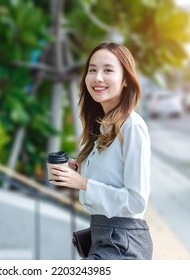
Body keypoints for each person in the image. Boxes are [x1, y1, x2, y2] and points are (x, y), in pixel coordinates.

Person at [50, 42, 153, 260]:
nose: (97, 77)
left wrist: (83, 183)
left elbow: (137, 200)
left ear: (125, 79)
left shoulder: (132, 126)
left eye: (108, 70)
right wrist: (79, 171)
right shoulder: (101, 129)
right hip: (102, 235)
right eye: (92, 69)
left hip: (123, 242)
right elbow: (109, 183)